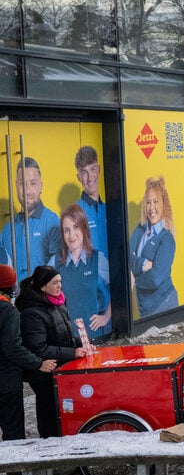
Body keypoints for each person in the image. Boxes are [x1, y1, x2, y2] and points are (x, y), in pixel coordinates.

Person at [0, 264, 56, 475]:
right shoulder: (8, 311)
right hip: (5, 382)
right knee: (13, 433)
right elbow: (13, 347)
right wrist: (38, 363)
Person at [16, 266, 89, 438]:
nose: (59, 286)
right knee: (48, 411)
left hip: (60, 366)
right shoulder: (31, 313)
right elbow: (39, 349)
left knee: (62, 410)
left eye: (60, 281)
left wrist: (82, 344)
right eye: (55, 282)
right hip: (42, 371)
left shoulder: (58, 302)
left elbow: (66, 335)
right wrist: (73, 353)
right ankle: (49, 446)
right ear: (43, 286)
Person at [51, 204, 112, 343]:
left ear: (84, 228)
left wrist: (106, 317)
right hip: (67, 343)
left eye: (76, 227)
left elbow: (123, 285)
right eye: (66, 230)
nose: (71, 235)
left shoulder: (98, 259)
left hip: (95, 338)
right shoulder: (54, 262)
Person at [1, 157, 61, 282]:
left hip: (43, 300)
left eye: (33, 183)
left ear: (41, 187)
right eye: (22, 184)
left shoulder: (52, 222)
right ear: (16, 186)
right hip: (15, 300)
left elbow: (61, 271)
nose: (27, 190)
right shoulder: (7, 230)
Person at [129, 176, 179, 317]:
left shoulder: (167, 239)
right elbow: (126, 255)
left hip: (164, 304)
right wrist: (143, 263)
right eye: (148, 202)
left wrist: (135, 279)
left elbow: (155, 279)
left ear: (164, 204)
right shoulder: (140, 229)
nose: (152, 208)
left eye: (156, 202)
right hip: (144, 307)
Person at [74, 146, 108, 258]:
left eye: (92, 169)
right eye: (84, 172)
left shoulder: (109, 210)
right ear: (79, 177)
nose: (90, 177)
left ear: (99, 169)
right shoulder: (75, 214)